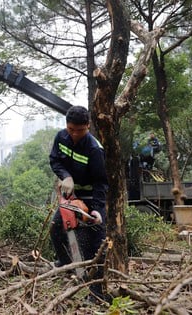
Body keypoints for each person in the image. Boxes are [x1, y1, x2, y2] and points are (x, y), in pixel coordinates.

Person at [48, 105, 109, 303]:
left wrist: (98, 210)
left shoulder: (94, 149)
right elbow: (54, 160)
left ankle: (97, 293)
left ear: (88, 127)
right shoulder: (61, 137)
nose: (74, 134)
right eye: (71, 129)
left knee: (95, 243)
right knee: (57, 228)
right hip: (72, 194)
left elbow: (101, 182)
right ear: (67, 125)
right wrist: (65, 177)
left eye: (80, 130)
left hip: (91, 196)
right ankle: (66, 264)